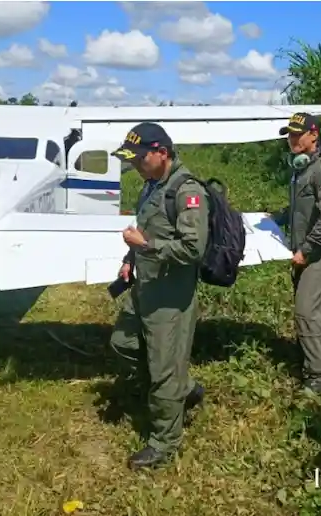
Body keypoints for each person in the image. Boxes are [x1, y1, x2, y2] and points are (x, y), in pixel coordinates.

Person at [108, 122, 207, 470]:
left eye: (139, 158)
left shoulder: (186, 191)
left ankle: (164, 442)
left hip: (171, 296)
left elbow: (193, 248)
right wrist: (129, 259)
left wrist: (145, 246)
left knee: (164, 370)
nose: (134, 165)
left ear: (161, 153)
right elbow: (146, 228)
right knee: (123, 342)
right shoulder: (151, 185)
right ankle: (186, 388)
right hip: (145, 286)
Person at [271, 113, 321, 395]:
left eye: (297, 134)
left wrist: (306, 251)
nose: (292, 139)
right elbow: (300, 211)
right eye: (289, 134)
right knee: (309, 310)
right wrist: (276, 217)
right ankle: (310, 358)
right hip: (306, 250)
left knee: (307, 311)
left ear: (313, 135)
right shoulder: (300, 170)